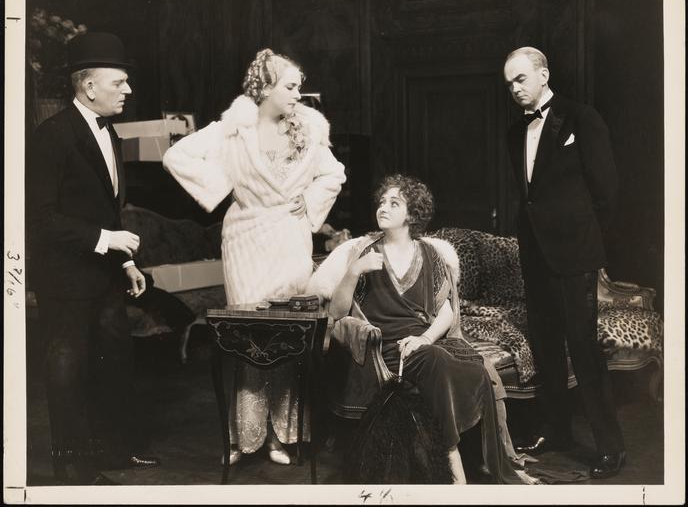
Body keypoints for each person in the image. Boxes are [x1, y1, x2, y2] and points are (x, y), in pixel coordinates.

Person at [163, 48, 346, 466]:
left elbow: (334, 173)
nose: (298, 94)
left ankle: (281, 436)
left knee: (287, 336)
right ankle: (243, 437)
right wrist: (223, 186)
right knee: (249, 338)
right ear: (265, 87)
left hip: (290, 239)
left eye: (299, 87)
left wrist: (310, 199)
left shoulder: (310, 128)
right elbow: (177, 156)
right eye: (290, 87)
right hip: (246, 240)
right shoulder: (232, 130)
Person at [307, 175, 533, 484]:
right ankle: (453, 462)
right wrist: (354, 270)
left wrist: (425, 338)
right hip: (387, 348)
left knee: (476, 371)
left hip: (423, 343)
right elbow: (336, 312)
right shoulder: (365, 254)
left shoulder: (429, 254)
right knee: (437, 362)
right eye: (382, 202)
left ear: (412, 215)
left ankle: (459, 458)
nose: (383, 207)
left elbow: (446, 310)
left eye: (394, 203)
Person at [27, 32, 160, 485]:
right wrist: (106, 238)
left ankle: (114, 452)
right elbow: (40, 220)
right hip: (64, 278)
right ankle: (72, 468)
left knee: (113, 361)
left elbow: (106, 209)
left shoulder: (110, 132)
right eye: (118, 82)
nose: (128, 90)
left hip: (104, 275)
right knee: (67, 369)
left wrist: (126, 263)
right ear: (88, 87)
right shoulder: (51, 136)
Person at [503, 47, 625, 478]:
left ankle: (611, 447)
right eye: (509, 83)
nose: (514, 89)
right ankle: (557, 431)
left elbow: (607, 191)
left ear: (543, 74)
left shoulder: (581, 118)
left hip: (576, 254)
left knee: (583, 348)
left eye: (520, 79)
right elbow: (530, 196)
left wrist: (584, 242)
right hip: (535, 254)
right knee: (546, 346)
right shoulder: (515, 131)